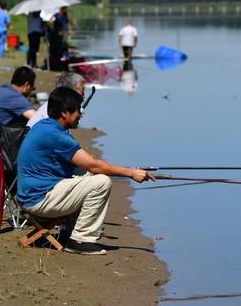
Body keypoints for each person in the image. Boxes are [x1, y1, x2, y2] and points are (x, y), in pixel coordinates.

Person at [17, 87, 155, 255]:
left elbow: (89, 161)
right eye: (77, 110)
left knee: (92, 175)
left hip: (33, 194)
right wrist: (131, 173)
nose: (81, 115)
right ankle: (80, 239)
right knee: (101, 182)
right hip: (38, 199)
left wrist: (125, 169)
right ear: (64, 113)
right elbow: (93, 165)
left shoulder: (45, 126)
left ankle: (70, 231)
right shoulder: (56, 135)